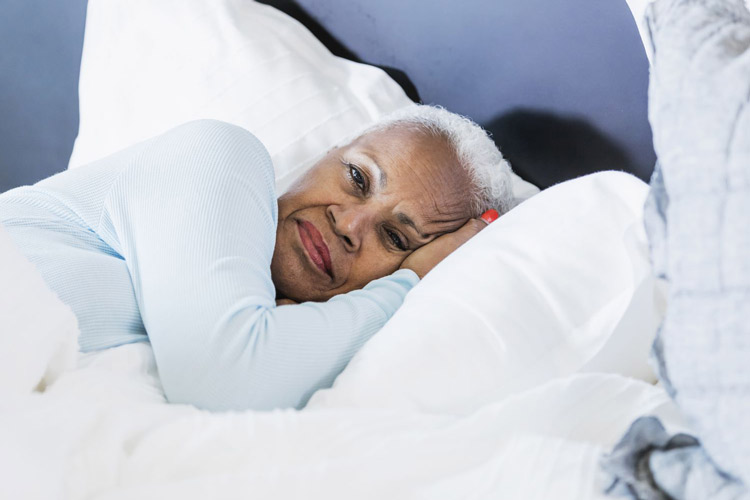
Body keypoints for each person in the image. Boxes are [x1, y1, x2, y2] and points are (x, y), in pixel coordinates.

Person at [0, 105, 514, 411]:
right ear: (325, 154)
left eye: (396, 238)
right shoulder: (219, 155)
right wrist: (408, 282)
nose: (349, 224)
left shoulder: (290, 342)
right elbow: (223, 377)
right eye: (357, 177)